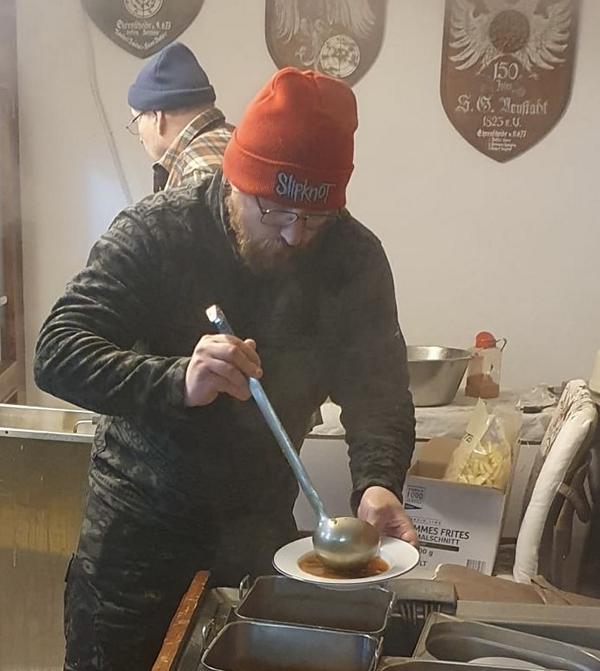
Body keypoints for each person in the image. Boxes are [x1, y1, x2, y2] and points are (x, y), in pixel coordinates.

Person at [34, 67, 417, 670]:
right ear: (238, 179)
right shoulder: (158, 231)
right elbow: (57, 352)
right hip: (138, 541)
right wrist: (176, 380)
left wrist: (378, 482)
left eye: (315, 218)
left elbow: (379, 391)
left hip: (258, 537)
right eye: (276, 212)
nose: (295, 236)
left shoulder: (352, 256)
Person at [126, 41, 233, 192]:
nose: (140, 139)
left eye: (137, 120)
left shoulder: (196, 174)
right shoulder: (233, 140)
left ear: (157, 117)